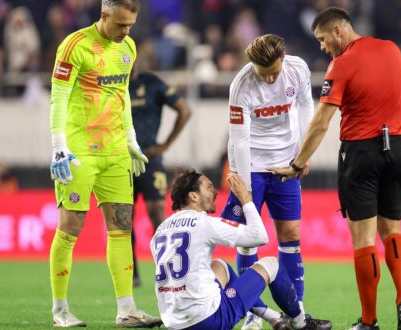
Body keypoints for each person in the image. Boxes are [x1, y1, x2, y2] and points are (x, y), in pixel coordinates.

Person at [268, 7, 401, 330]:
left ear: (338, 31)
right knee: (393, 231)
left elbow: (321, 122)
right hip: (397, 149)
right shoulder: (392, 50)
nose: (322, 47)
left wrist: (297, 163)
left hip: (361, 154)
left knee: (363, 240)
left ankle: (369, 320)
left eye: (322, 39)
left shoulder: (342, 64)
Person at [48, 0, 161, 327]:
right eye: (121, 24)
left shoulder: (127, 47)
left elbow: (121, 93)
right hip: (79, 152)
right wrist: (58, 146)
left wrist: (130, 138)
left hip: (114, 153)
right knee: (70, 229)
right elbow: (58, 97)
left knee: (122, 228)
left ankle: (126, 309)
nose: (126, 32)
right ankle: (60, 311)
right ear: (104, 15)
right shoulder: (74, 45)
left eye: (130, 26)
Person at [151, 169, 332, 330]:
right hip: (209, 320)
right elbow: (260, 236)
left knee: (220, 266)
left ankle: (275, 318)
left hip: (174, 323)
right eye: (209, 187)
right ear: (193, 196)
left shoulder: (160, 230)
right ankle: (301, 323)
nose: (215, 192)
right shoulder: (203, 222)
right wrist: (245, 199)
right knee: (271, 264)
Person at [221, 34, 316, 329]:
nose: (271, 77)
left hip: (285, 164)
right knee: (249, 239)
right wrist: (245, 185)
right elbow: (240, 139)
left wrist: (303, 154)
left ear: (283, 58)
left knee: (290, 234)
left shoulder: (298, 69)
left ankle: (296, 309)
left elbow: (306, 108)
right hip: (251, 164)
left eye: (275, 70)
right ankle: (253, 312)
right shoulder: (241, 85)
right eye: (265, 73)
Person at [129, 67, 192, 287]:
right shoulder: (112, 83)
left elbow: (184, 109)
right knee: (124, 217)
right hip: (120, 160)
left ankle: (169, 268)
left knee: (157, 212)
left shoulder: (153, 83)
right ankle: (131, 272)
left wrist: (166, 144)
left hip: (149, 158)